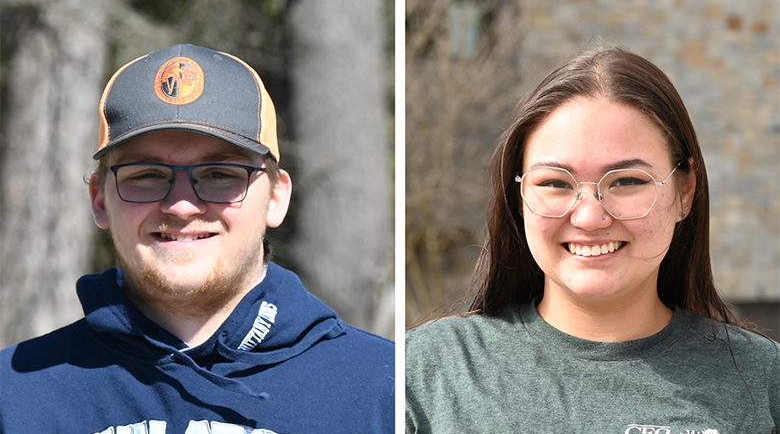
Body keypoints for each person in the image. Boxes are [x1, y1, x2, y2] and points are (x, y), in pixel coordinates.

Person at [0, 43, 394, 433]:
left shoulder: (385, 390)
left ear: (276, 198)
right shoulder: (15, 394)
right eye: (146, 175)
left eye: (220, 174)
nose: (182, 206)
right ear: (100, 201)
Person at [405, 46, 780, 433]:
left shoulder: (762, 378)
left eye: (627, 181)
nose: (589, 216)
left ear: (684, 191)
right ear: (519, 196)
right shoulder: (422, 371)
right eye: (554, 183)